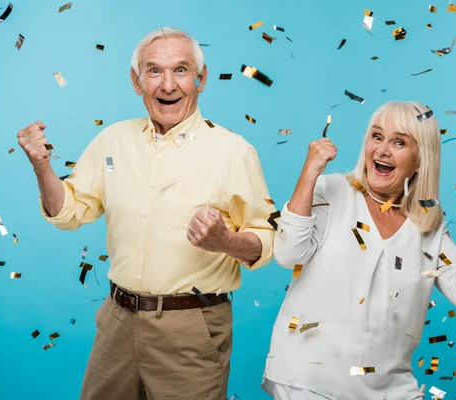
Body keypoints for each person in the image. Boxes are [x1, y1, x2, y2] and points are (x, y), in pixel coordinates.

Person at [17, 27, 275, 400]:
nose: (167, 85)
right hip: (117, 322)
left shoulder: (234, 152)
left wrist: (225, 240)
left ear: (201, 79)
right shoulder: (113, 141)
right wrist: (42, 166)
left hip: (191, 328)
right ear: (137, 81)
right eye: (154, 71)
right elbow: (69, 212)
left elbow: (265, 241)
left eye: (181, 70)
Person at [262, 101, 456, 399]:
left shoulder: (427, 224)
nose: (383, 150)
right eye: (376, 137)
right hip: (311, 379)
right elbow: (287, 254)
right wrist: (309, 172)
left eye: (399, 142)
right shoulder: (332, 191)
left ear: (420, 158)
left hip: (391, 387)